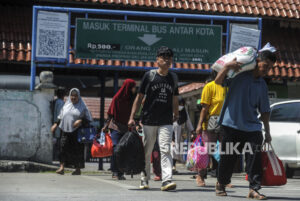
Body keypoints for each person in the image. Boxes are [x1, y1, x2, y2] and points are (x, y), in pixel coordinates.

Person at [214, 50, 276, 199]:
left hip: (252, 128)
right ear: (257, 62)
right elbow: (218, 81)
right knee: (228, 158)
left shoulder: (262, 85)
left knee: (255, 159)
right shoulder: (238, 76)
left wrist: (267, 132)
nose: (267, 70)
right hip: (231, 125)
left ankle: (254, 188)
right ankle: (221, 183)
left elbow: (265, 111)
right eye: (265, 66)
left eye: (269, 68)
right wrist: (227, 66)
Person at [128, 46, 179, 191]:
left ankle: (167, 179)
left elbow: (175, 98)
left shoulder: (173, 78)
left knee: (165, 149)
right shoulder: (149, 76)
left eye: (169, 58)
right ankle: (144, 179)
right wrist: (132, 117)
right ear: (157, 60)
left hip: (166, 120)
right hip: (149, 119)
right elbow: (139, 98)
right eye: (163, 57)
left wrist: (176, 113)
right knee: (147, 150)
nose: (167, 60)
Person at [195, 71, 232, 187]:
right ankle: (200, 176)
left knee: (225, 151)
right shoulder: (209, 86)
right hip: (210, 124)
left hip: (226, 123)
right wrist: (199, 124)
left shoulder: (229, 87)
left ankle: (223, 180)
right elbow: (204, 108)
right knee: (207, 152)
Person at [51, 88, 93, 175]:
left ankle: (77, 169)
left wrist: (80, 120)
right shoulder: (66, 105)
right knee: (62, 147)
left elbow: (89, 119)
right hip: (65, 130)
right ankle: (62, 167)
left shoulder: (82, 106)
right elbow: (61, 116)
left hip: (77, 132)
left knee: (77, 150)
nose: (73, 97)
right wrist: (55, 124)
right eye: (72, 95)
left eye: (75, 96)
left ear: (79, 96)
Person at [105, 79, 136, 180]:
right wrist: (105, 126)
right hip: (116, 127)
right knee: (115, 148)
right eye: (133, 87)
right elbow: (110, 113)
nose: (134, 89)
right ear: (128, 87)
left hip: (127, 128)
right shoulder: (117, 98)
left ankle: (121, 172)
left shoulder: (133, 99)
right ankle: (114, 171)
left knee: (124, 150)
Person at [172, 97, 194, 174]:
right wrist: (172, 138)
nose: (180, 106)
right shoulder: (172, 111)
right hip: (172, 136)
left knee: (179, 150)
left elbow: (188, 121)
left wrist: (192, 131)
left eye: (182, 104)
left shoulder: (184, 112)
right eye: (179, 104)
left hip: (181, 135)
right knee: (172, 150)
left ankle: (173, 166)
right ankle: (172, 166)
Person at [52, 88, 65, 161]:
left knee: (55, 141)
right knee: (58, 143)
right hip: (58, 125)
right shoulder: (61, 103)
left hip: (54, 124)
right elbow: (60, 115)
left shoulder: (55, 101)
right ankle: (57, 158)